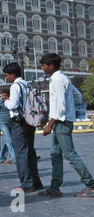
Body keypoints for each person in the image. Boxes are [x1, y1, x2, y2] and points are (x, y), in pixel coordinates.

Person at [39, 53, 94, 198]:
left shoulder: (57, 80)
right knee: (55, 154)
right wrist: (72, 110)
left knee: (70, 154)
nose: (42, 68)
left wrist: (49, 125)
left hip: (60, 122)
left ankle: (90, 185)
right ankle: (54, 186)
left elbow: (60, 107)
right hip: (62, 121)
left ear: (51, 66)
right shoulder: (64, 78)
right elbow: (77, 96)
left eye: (43, 65)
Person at [3, 63, 43, 192]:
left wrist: (6, 101)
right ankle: (36, 182)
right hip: (29, 121)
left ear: (13, 75)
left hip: (19, 122)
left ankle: (26, 183)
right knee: (30, 152)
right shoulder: (27, 84)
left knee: (21, 154)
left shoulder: (15, 86)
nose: (6, 78)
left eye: (7, 75)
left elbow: (13, 104)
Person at [0, 89, 16, 164]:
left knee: (5, 141)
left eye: (6, 96)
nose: (4, 97)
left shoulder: (11, 103)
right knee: (9, 140)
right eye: (3, 96)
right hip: (3, 124)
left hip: (11, 123)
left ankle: (1, 158)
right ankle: (15, 158)